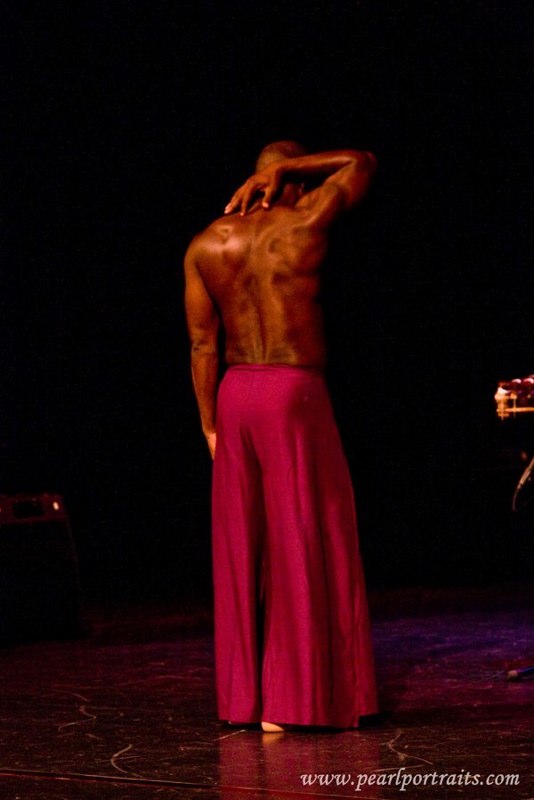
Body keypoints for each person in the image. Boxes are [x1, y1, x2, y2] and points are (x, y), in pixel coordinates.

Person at [184, 141, 378, 732]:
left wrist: (209, 424)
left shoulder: (207, 243)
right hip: (293, 391)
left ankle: (246, 702)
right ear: (289, 181)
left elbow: (202, 344)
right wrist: (289, 169)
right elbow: (362, 162)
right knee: (306, 533)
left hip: (234, 394)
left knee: (242, 547)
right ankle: (294, 705)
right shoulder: (302, 221)